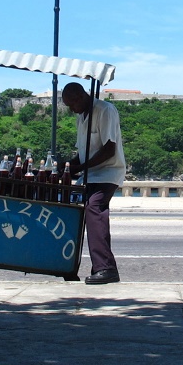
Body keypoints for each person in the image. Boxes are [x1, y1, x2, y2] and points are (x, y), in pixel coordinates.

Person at [61, 82, 127, 285]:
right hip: (90, 174)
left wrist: (80, 168)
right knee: (80, 211)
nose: (72, 110)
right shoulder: (81, 116)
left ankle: (105, 268)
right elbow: (82, 154)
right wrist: (67, 166)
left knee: (94, 207)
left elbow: (109, 149)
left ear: (81, 96)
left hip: (108, 172)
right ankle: (84, 265)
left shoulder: (105, 110)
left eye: (72, 105)